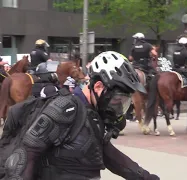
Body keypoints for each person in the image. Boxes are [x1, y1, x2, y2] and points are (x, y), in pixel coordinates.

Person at [2, 51, 159, 180]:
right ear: (98, 87)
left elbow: (108, 154)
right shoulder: (64, 108)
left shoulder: (92, 114)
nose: (119, 107)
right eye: (118, 99)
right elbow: (24, 156)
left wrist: (145, 177)